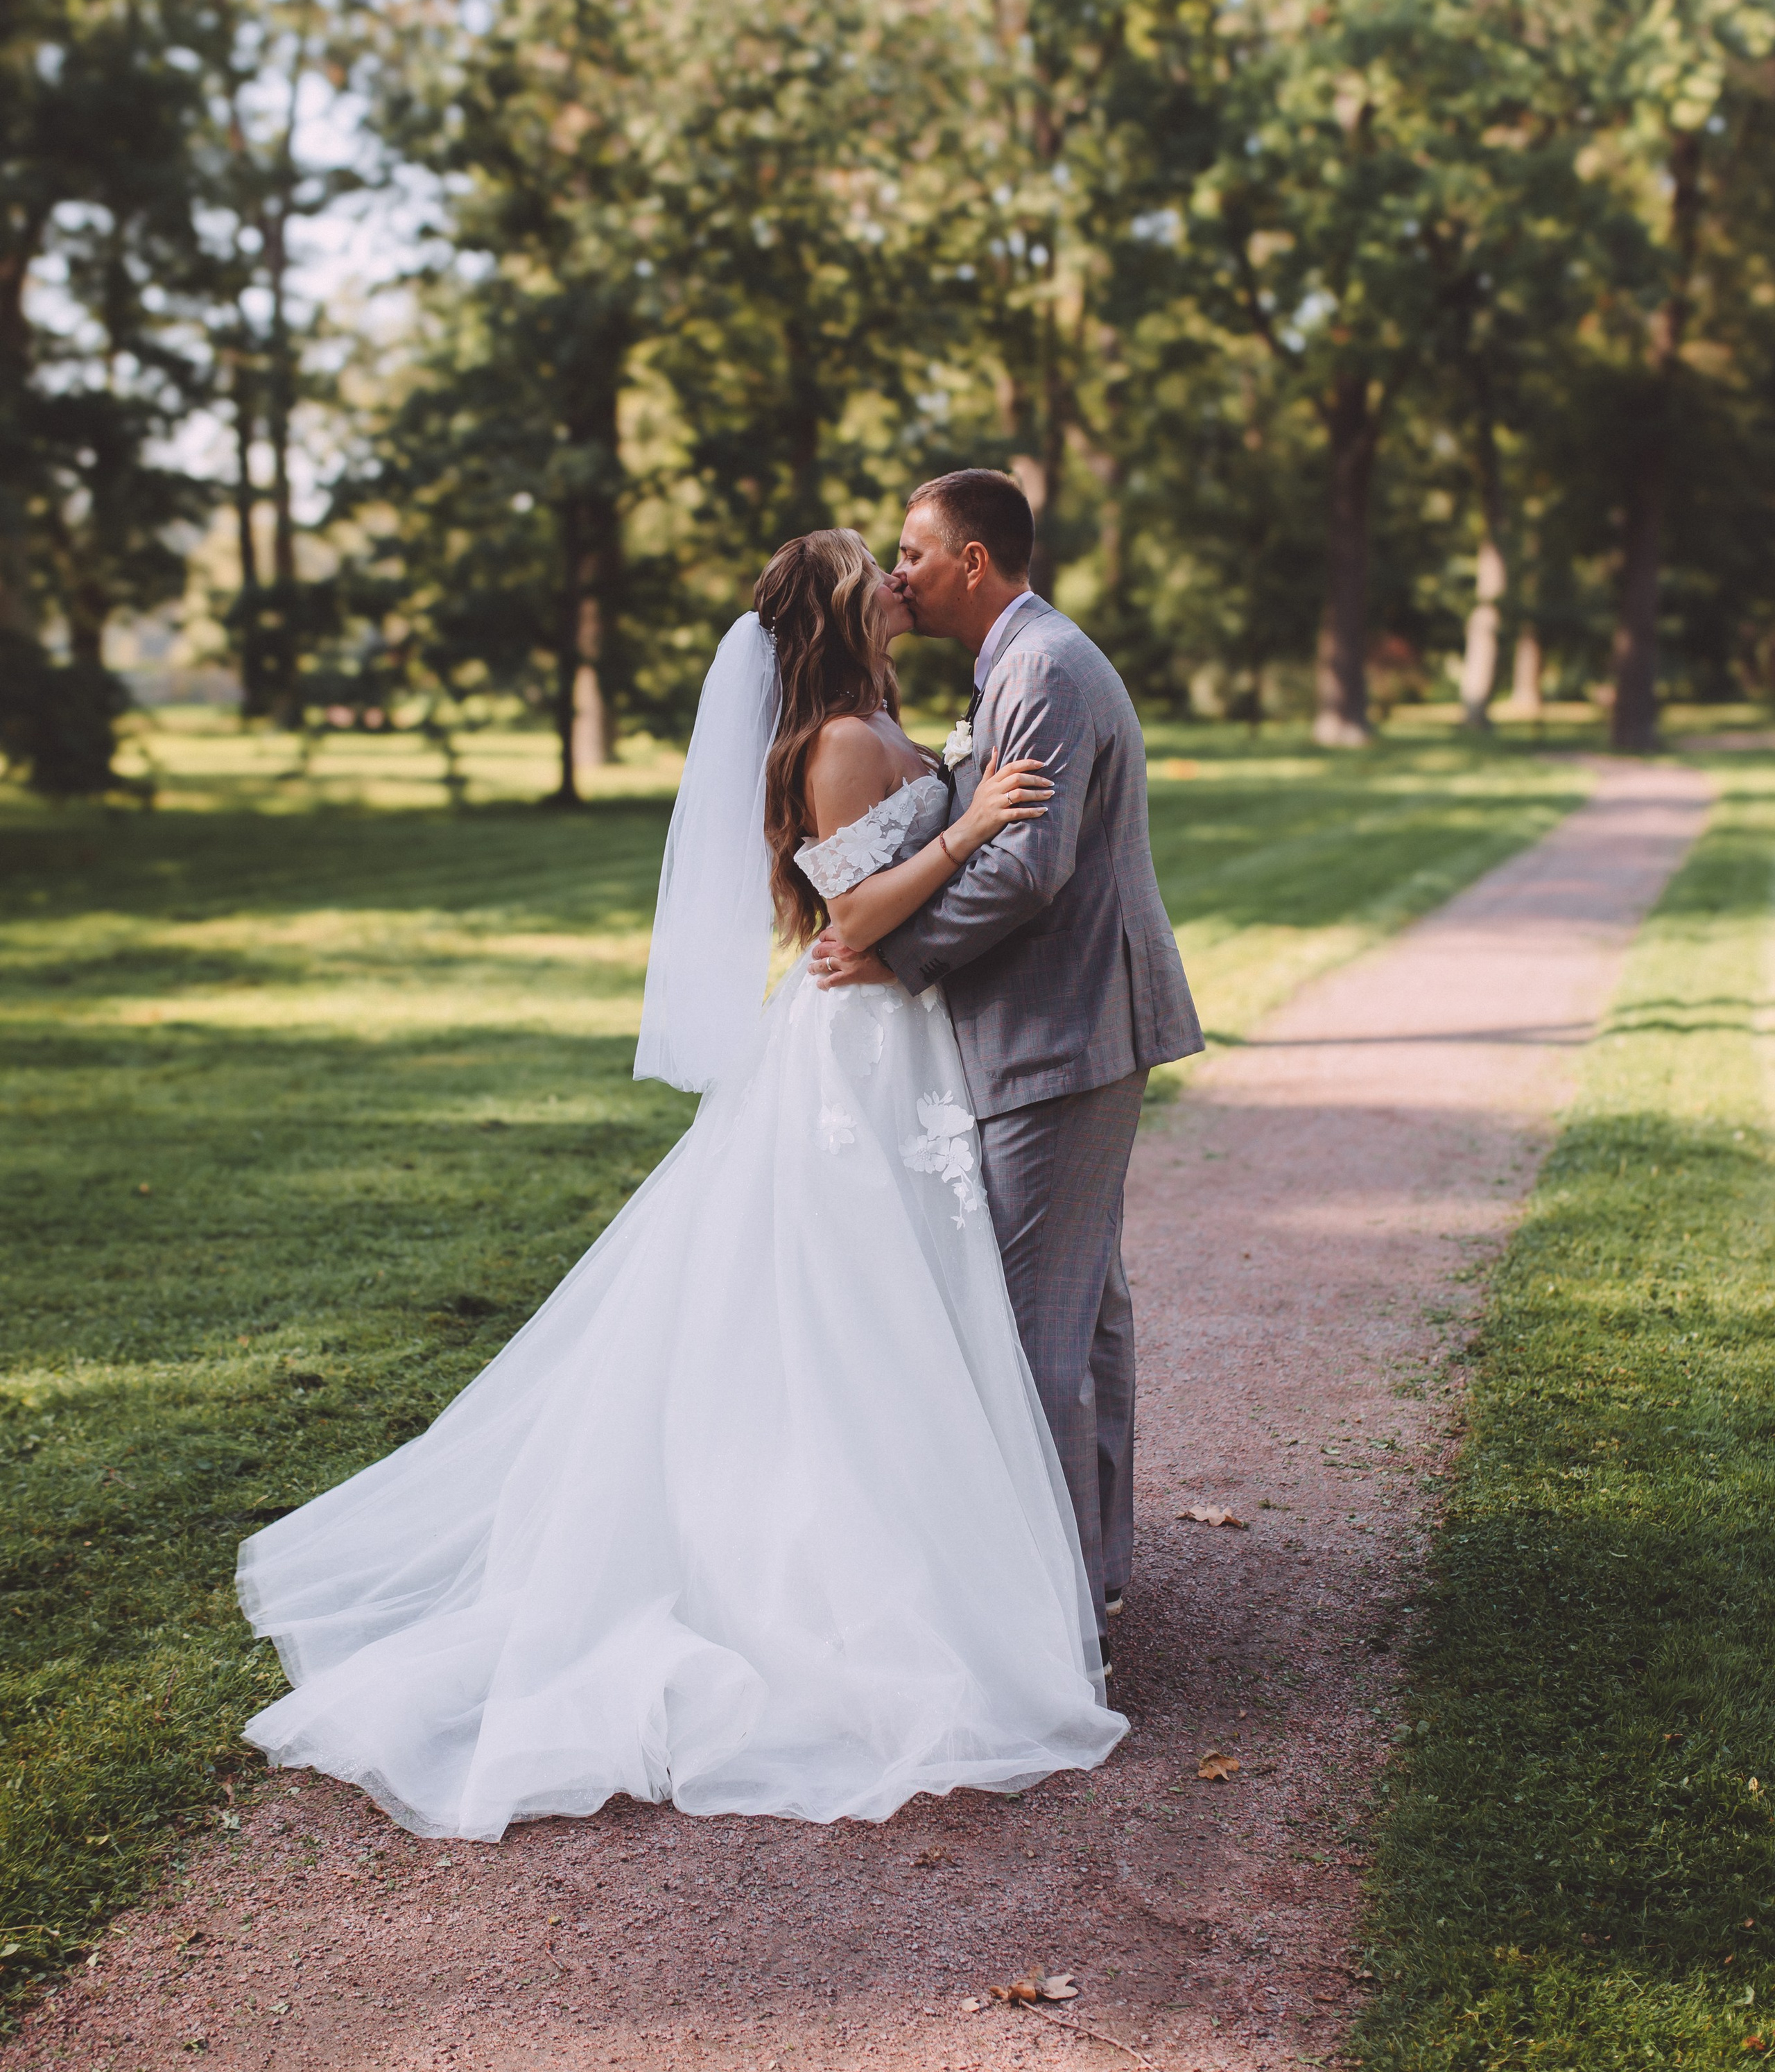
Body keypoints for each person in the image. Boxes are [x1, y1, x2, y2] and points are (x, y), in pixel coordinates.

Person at [235, 528, 1126, 1842]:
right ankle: (864, 1588)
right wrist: (972, 824)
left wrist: (956, 796)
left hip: (899, 1051)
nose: (896, 577)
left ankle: (958, 1560)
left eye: (903, 559)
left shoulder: (871, 724)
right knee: (856, 1313)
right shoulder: (834, 745)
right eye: (872, 570)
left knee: (913, 1314)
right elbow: (849, 918)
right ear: (835, 613)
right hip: (859, 1055)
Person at [813, 470, 1202, 1636]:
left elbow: (1030, 871)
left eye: (918, 554)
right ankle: (1093, 1575)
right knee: (1086, 1311)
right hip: (1069, 1024)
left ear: (973, 562)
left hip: (1063, 1028)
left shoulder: (1036, 669)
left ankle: (1052, 1615)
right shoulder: (1023, 664)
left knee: (1038, 1320)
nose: (902, 574)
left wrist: (899, 955)